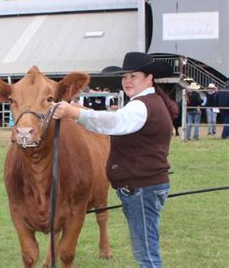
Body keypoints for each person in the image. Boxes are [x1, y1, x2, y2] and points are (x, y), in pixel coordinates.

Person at [53, 52, 177, 268]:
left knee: (146, 254)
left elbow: (114, 122)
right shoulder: (148, 102)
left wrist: (75, 113)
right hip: (143, 186)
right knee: (146, 249)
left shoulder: (141, 106)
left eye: (134, 76)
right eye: (124, 76)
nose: (127, 81)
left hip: (142, 188)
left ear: (149, 78)